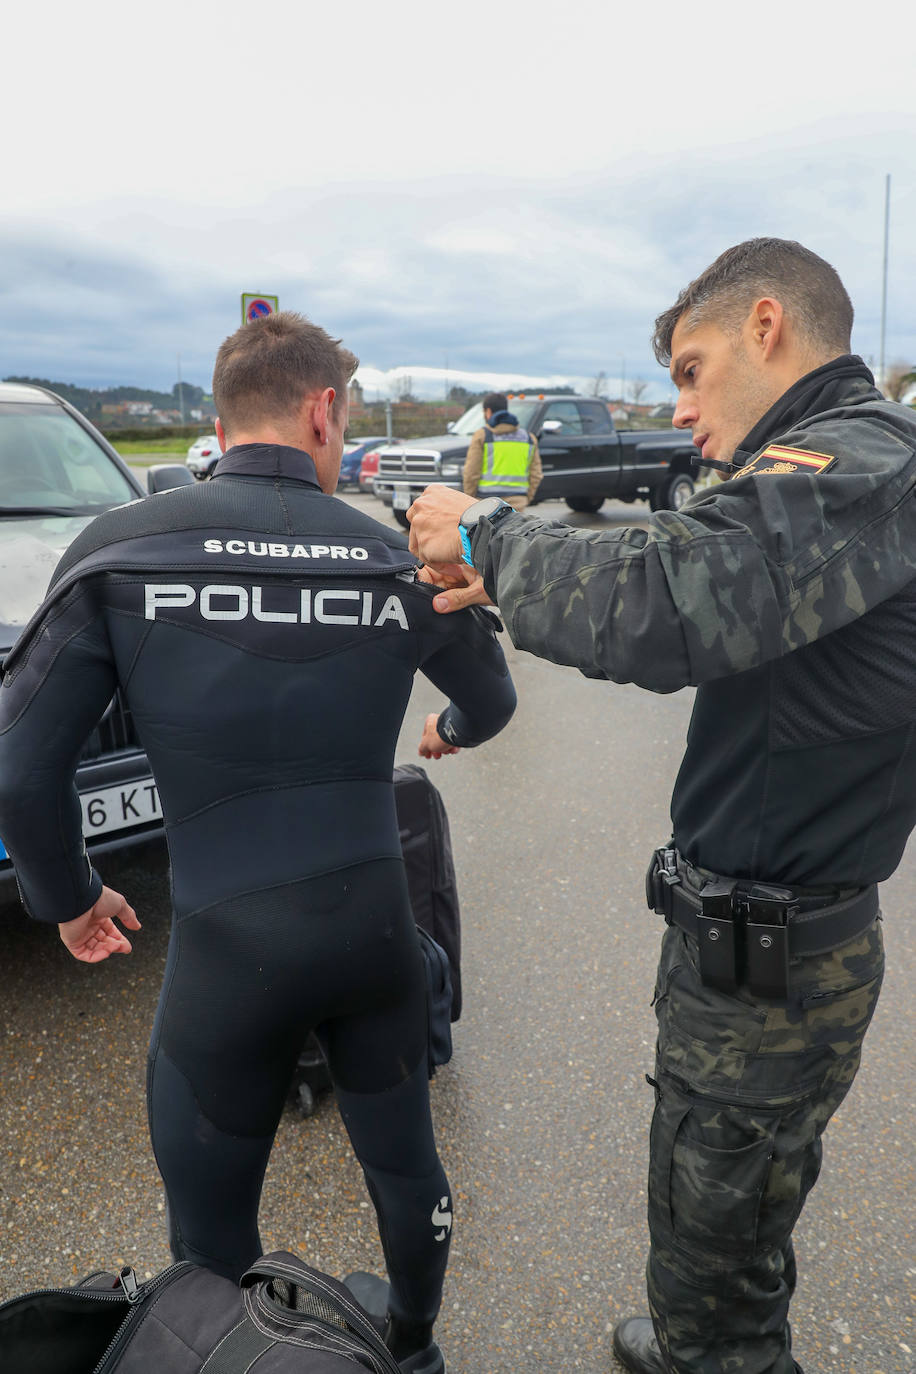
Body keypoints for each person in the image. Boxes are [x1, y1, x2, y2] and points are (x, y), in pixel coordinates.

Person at [406, 238, 916, 1374]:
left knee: (723, 1228)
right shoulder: (827, 469)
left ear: (767, 327)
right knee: (722, 1210)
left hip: (774, 957)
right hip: (754, 943)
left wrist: (491, 535)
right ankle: (703, 1330)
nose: (681, 409)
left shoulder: (861, 463)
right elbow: (690, 559)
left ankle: (713, 1350)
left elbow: (670, 600)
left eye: (691, 369)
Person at [0, 311, 517, 1374]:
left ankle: (229, 1349)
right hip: (374, 934)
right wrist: (450, 727)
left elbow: (17, 765)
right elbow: (494, 697)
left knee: (208, 1231)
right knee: (405, 1166)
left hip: (227, 954)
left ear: (222, 416)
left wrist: (70, 898)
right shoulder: (387, 551)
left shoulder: (121, 549)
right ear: (325, 410)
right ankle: (414, 1350)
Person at [462, 391, 542, 511]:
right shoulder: (528, 438)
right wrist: (525, 497)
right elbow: (536, 474)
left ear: (488, 412)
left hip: (485, 503)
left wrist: (470, 499)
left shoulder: (482, 436)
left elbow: (471, 473)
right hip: (517, 502)